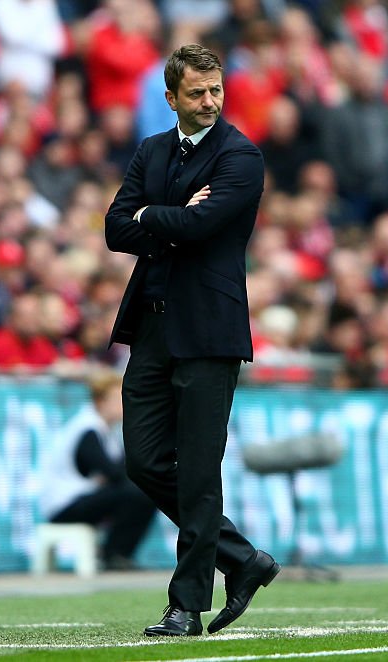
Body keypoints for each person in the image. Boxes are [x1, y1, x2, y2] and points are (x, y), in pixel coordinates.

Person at [104, 44, 280, 637]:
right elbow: (112, 228)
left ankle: (185, 606)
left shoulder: (241, 157)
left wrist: (153, 217)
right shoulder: (152, 149)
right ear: (171, 97)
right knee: (144, 461)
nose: (210, 102)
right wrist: (169, 214)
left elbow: (200, 226)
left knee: (200, 472)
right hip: (153, 329)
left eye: (217, 91)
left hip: (209, 331)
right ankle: (243, 559)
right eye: (198, 93)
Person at [39, 371, 157, 570]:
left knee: (145, 492)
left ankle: (116, 553)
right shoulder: (88, 429)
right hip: (65, 505)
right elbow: (114, 473)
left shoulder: (106, 431)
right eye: (119, 398)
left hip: (83, 498)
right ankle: (113, 554)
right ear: (100, 401)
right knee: (138, 493)